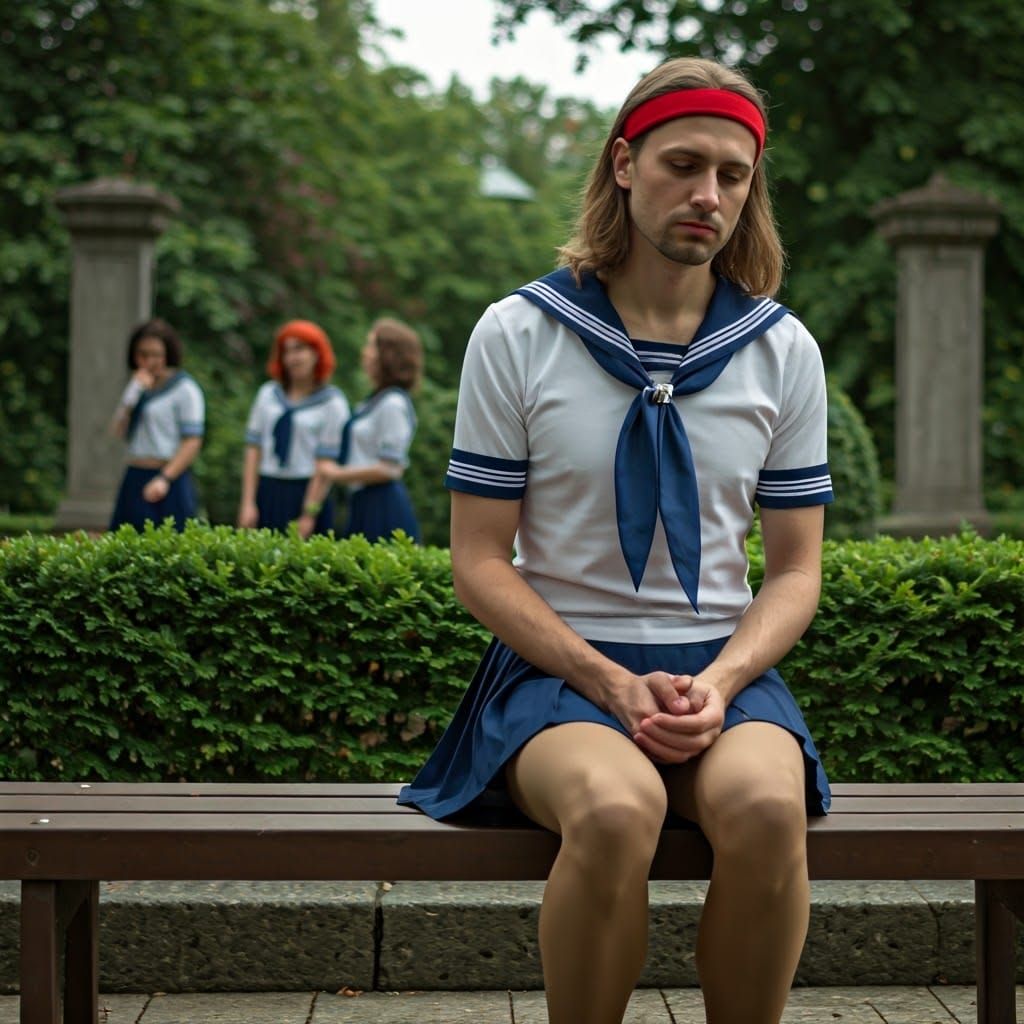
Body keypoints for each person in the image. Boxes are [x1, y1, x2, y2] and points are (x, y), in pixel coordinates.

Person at [399, 56, 835, 1024]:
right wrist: (607, 680)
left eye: (733, 174)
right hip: (559, 676)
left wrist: (718, 683)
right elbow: (476, 559)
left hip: (718, 669)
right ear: (625, 164)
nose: (707, 194)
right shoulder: (519, 333)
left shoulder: (779, 348)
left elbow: (796, 569)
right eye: (683, 164)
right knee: (613, 809)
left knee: (767, 812)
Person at [237, 320, 350, 538]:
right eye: (286, 351)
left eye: (300, 349)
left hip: (306, 491)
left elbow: (325, 465)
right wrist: (248, 503)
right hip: (268, 489)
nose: (292, 358)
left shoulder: (333, 403)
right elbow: (253, 450)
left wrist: (309, 514)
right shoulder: (268, 394)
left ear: (317, 353)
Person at [316, 317, 422, 543]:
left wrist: (335, 473)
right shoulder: (373, 401)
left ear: (389, 354)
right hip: (363, 501)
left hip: (382, 506)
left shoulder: (393, 403)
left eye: (371, 346)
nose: (365, 353)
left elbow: (390, 469)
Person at [109, 318, 205, 532]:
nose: (149, 361)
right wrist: (133, 392)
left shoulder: (184, 389)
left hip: (167, 477)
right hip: (135, 473)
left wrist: (165, 478)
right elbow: (117, 430)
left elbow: (192, 441)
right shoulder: (137, 388)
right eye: (143, 355)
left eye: (156, 355)